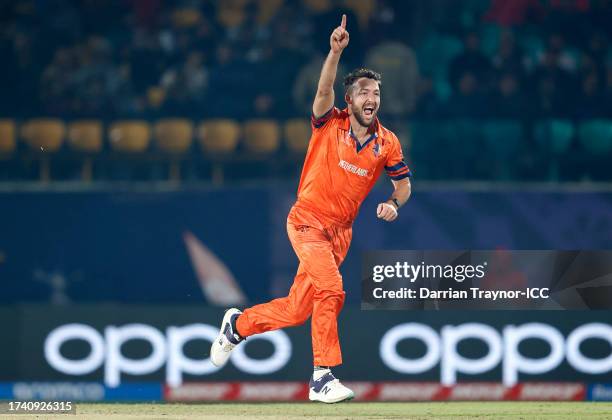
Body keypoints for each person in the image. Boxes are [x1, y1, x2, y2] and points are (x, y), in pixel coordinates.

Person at [210, 15, 412, 404]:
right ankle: (322, 376)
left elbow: (403, 185)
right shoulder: (328, 124)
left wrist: (392, 202)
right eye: (364, 92)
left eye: (376, 94)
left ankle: (238, 325)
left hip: (340, 233)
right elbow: (323, 89)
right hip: (307, 221)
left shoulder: (387, 143)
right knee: (332, 288)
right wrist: (334, 52)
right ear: (349, 98)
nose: (372, 99)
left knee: (297, 309)